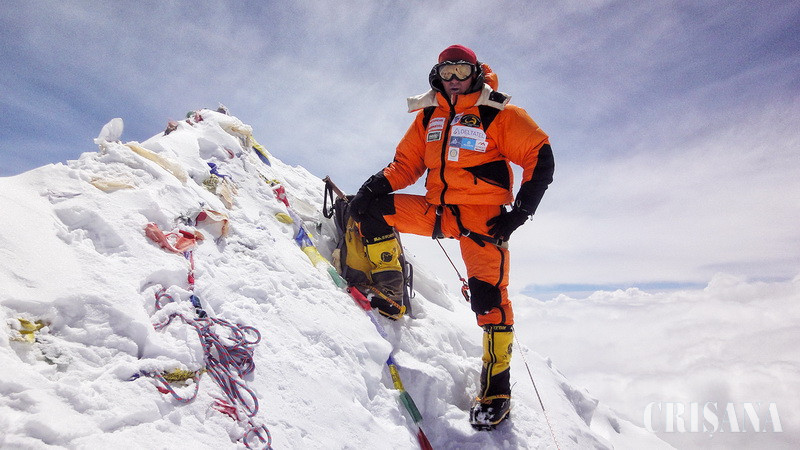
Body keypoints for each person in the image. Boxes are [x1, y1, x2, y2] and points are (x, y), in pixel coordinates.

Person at [348, 44, 554, 428]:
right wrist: (372, 187)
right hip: (438, 212)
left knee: (489, 299)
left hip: (483, 221)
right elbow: (406, 164)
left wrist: (522, 211)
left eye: (461, 71)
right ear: (437, 75)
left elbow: (539, 156)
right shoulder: (429, 116)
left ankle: (496, 391)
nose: (454, 80)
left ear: (475, 72)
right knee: (372, 211)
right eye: (447, 72)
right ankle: (391, 292)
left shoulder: (498, 113)